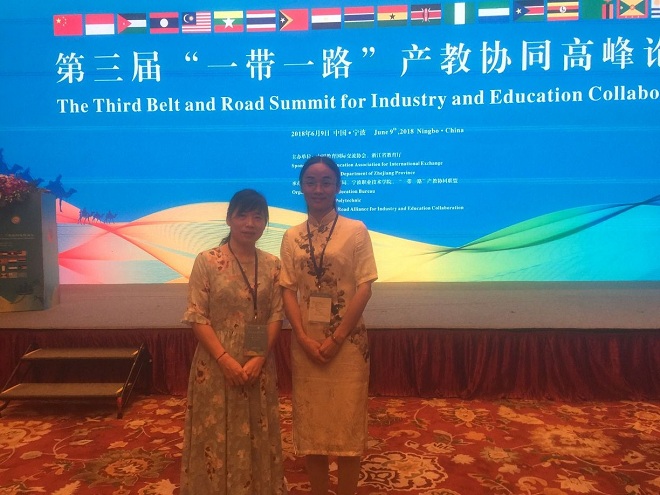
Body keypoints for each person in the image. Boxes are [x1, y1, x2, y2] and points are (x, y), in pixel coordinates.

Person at [279, 156, 378, 495]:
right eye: (310, 181)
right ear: (301, 187)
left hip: (347, 345)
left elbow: (365, 287)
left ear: (338, 187)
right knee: (313, 428)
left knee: (348, 427)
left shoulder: (356, 230)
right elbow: (287, 289)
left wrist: (337, 338)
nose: (318, 189)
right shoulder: (291, 236)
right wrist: (302, 337)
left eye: (325, 182)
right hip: (307, 342)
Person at [180, 189, 287, 495]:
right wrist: (225, 359)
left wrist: (259, 358)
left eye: (258, 216)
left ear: (265, 222)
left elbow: (276, 316)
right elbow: (197, 316)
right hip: (215, 361)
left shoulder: (273, 264)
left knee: (256, 426)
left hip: (258, 361)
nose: (250, 223)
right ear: (229, 219)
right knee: (214, 430)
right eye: (242, 215)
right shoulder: (207, 261)